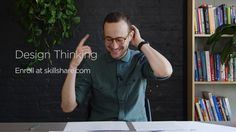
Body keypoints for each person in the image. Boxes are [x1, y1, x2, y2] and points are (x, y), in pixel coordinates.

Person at [61, 12, 173, 121]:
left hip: (137, 127)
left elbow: (165, 71)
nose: (114, 46)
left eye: (120, 39)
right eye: (109, 39)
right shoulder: (92, 64)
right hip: (102, 128)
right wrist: (73, 66)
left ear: (130, 36)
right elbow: (67, 107)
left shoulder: (140, 60)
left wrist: (141, 43)